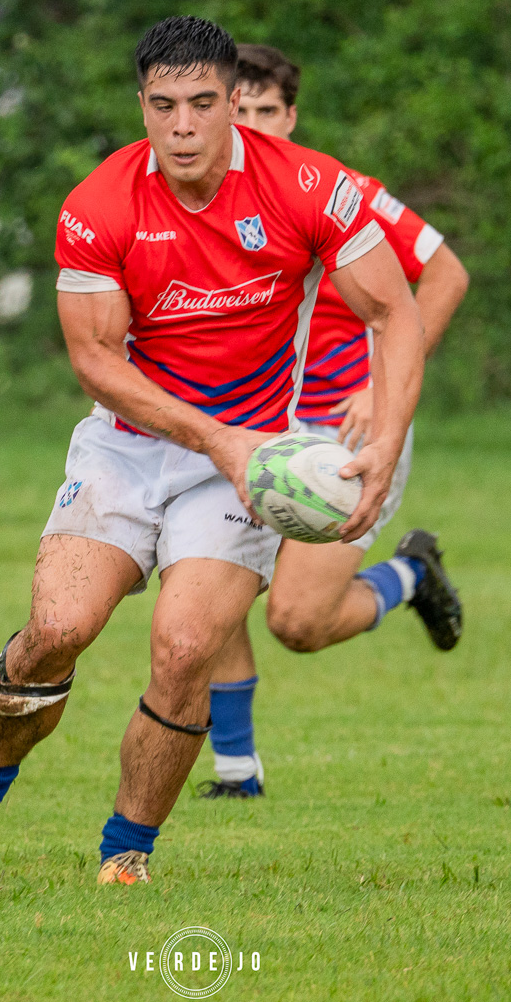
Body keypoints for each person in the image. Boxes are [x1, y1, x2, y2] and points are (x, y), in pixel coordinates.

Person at [0, 16, 425, 884]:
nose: (181, 126)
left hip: (239, 467)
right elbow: (95, 360)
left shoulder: (311, 187)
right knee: (58, 629)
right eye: (162, 105)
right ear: (141, 106)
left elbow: (397, 313)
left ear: (234, 106)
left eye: (202, 104)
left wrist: (386, 444)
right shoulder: (99, 205)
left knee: (183, 647)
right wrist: (218, 437)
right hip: (128, 449)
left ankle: (123, 857)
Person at [200, 44, 470, 799]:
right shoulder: (199, 196)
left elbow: (447, 274)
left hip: (344, 433)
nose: (250, 124)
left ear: (291, 115)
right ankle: (236, 773)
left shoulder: (340, 190)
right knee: (205, 580)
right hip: (256, 425)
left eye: (265, 111)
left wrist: (383, 386)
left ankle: (412, 576)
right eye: (238, 109)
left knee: (296, 621)